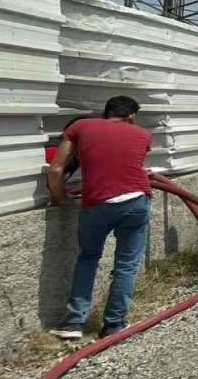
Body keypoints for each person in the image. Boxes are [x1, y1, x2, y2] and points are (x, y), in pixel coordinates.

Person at [46, 96, 152, 340]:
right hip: (136, 201)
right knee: (126, 264)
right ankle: (114, 325)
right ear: (132, 116)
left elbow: (55, 169)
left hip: (97, 204)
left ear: (106, 112)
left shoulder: (80, 127)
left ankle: (74, 323)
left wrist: (62, 200)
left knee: (88, 258)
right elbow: (126, 164)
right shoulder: (142, 134)